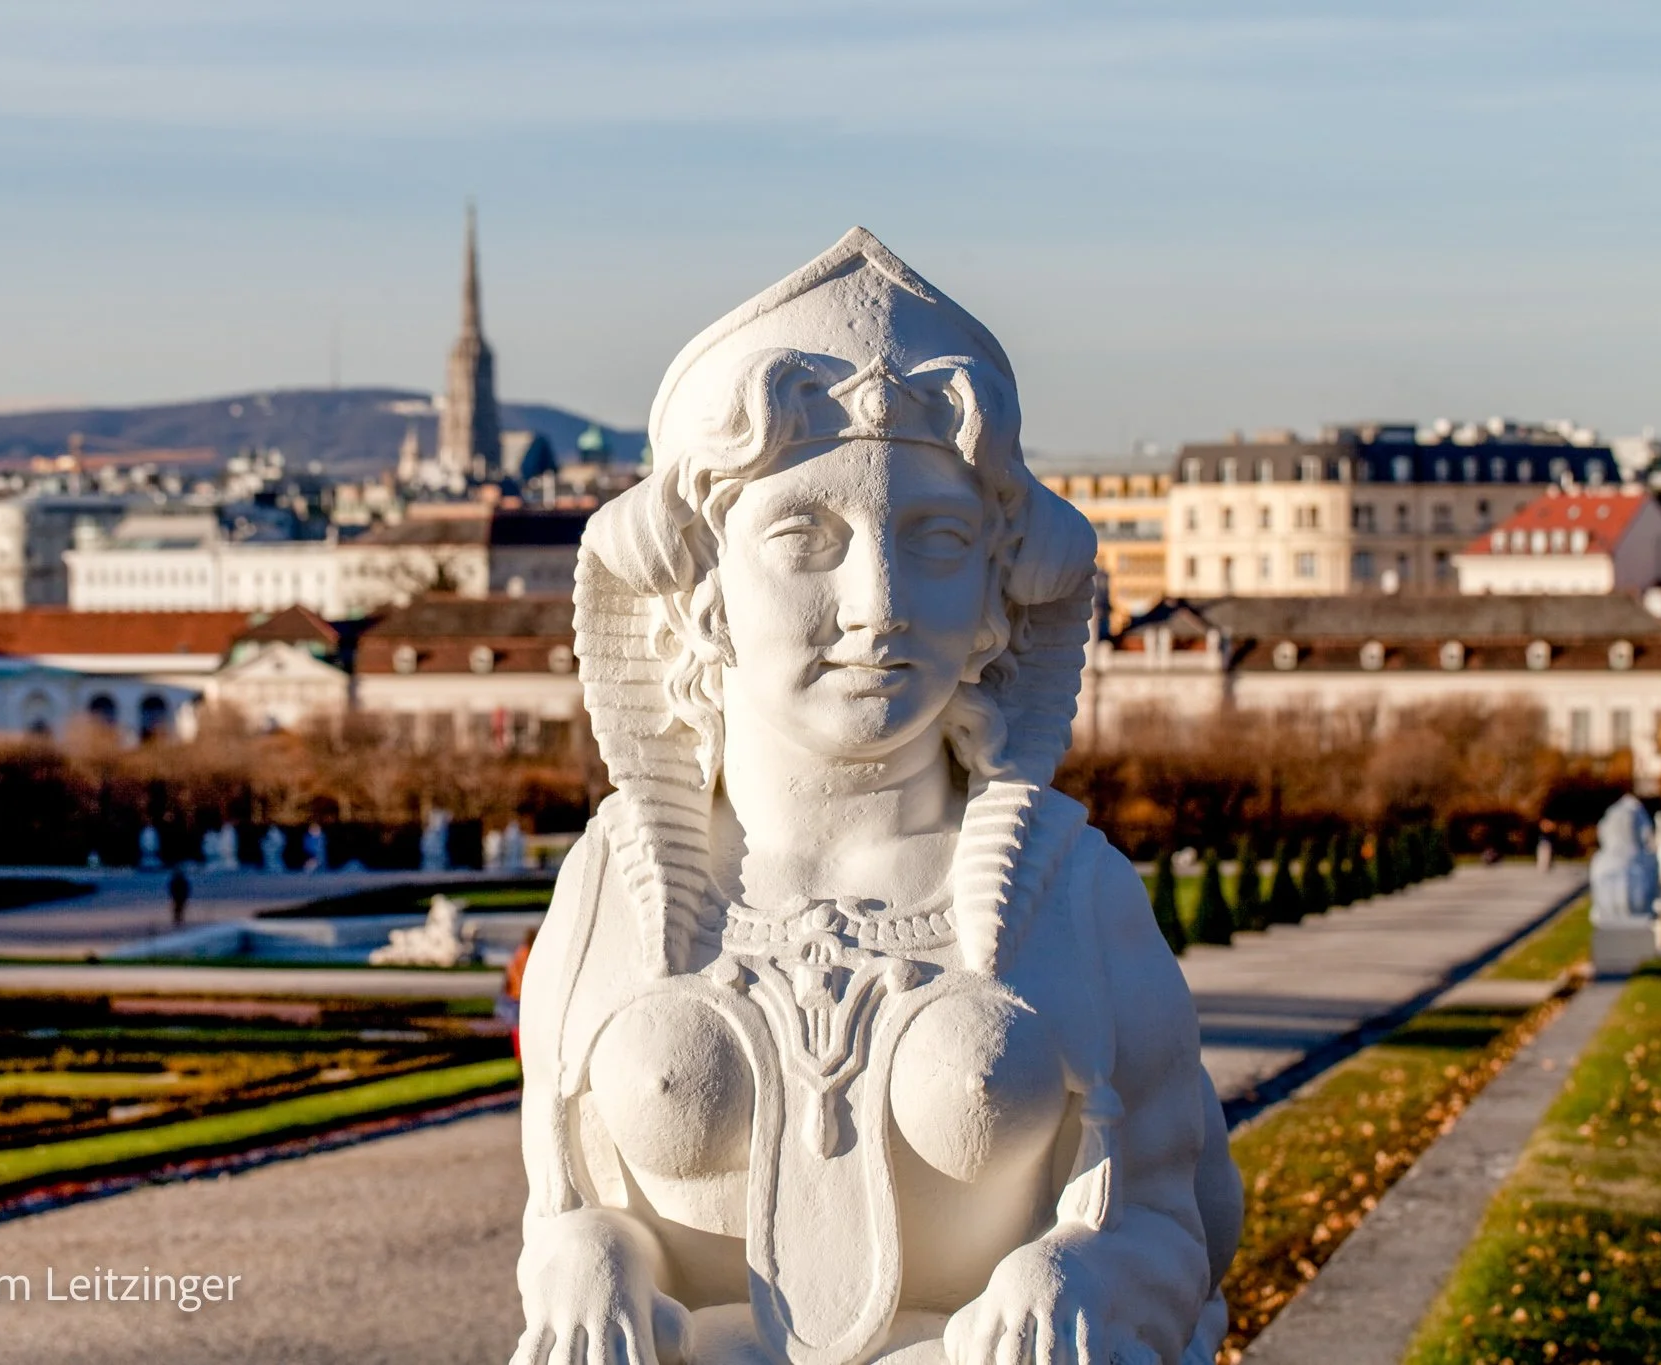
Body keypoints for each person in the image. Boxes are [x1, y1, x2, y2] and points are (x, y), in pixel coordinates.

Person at [509, 229, 1240, 1365]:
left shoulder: (1071, 888)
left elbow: (1173, 1219)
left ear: (996, 590)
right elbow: (559, 1199)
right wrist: (582, 1256)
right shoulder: (609, 883)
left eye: (936, 539)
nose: (877, 605)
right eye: (805, 536)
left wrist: (1074, 1272)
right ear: (701, 590)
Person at [499, 928, 537, 1060]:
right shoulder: (526, 953)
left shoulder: (522, 952)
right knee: (520, 1030)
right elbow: (518, 976)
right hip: (518, 998)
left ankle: (521, 1056)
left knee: (519, 1030)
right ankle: (521, 1056)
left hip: (515, 996)